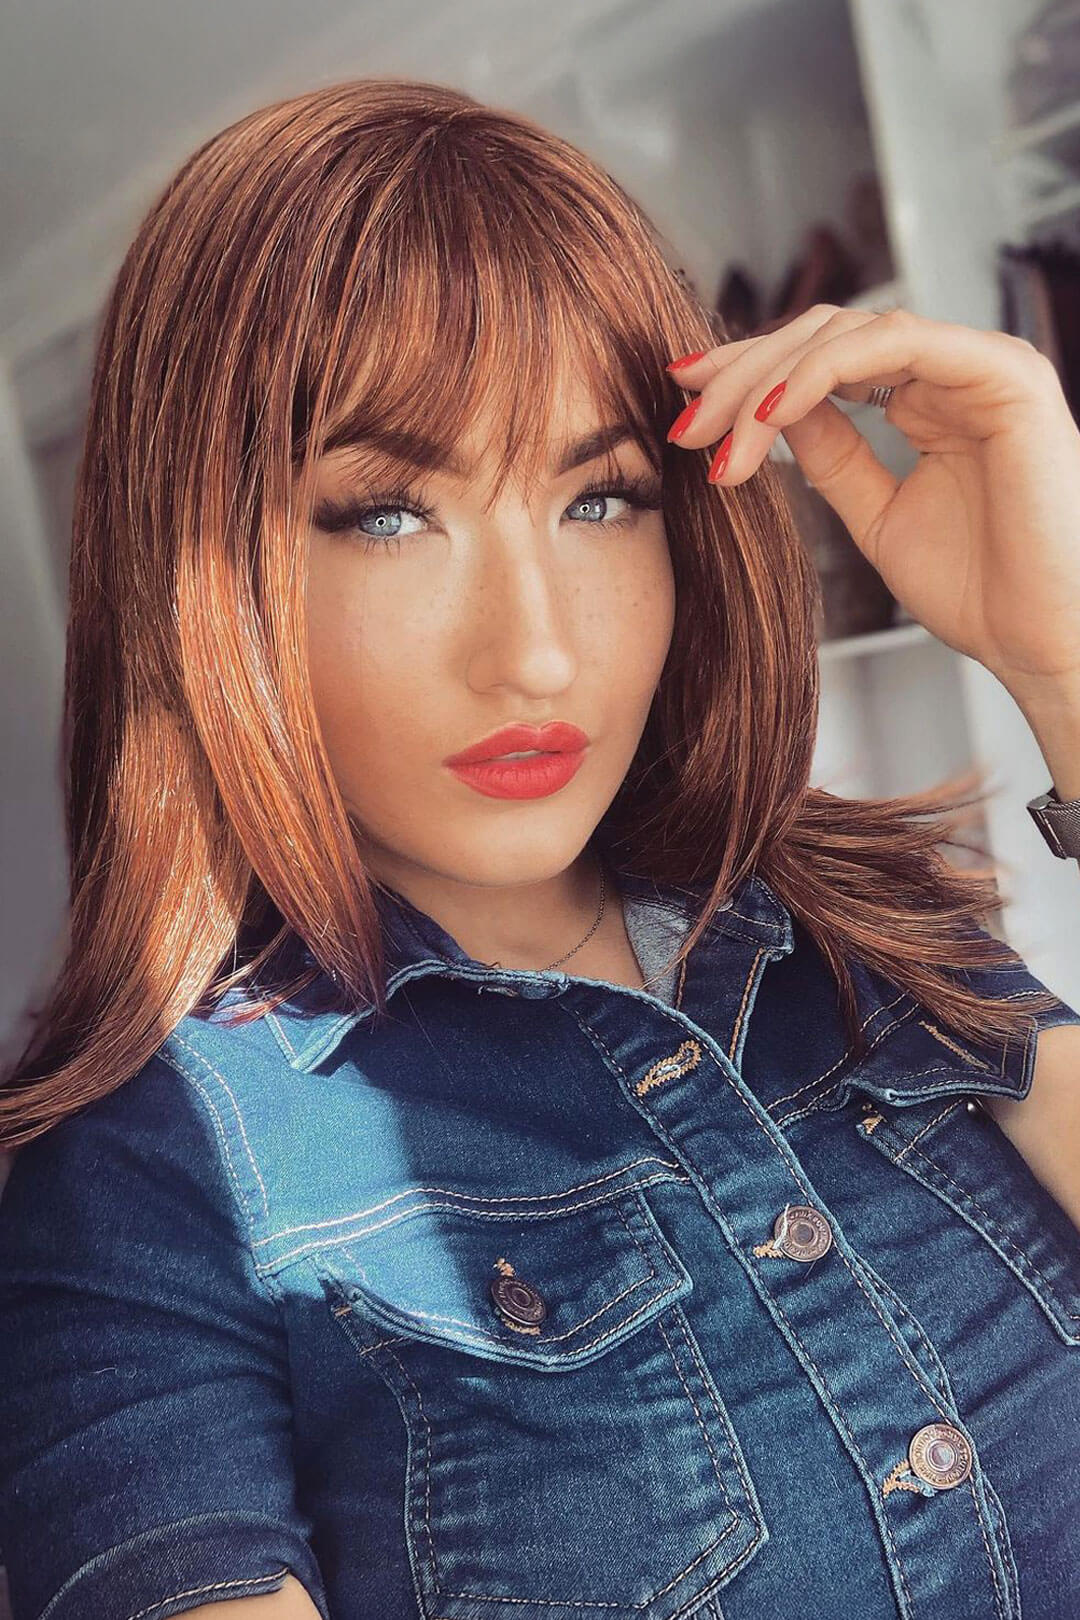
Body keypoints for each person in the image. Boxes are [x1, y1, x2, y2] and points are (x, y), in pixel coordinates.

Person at [1, 76, 1080, 1620]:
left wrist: (1064, 665)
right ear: (205, 569)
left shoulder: (853, 925)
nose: (539, 657)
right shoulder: (149, 1186)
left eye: (600, 499)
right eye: (386, 515)